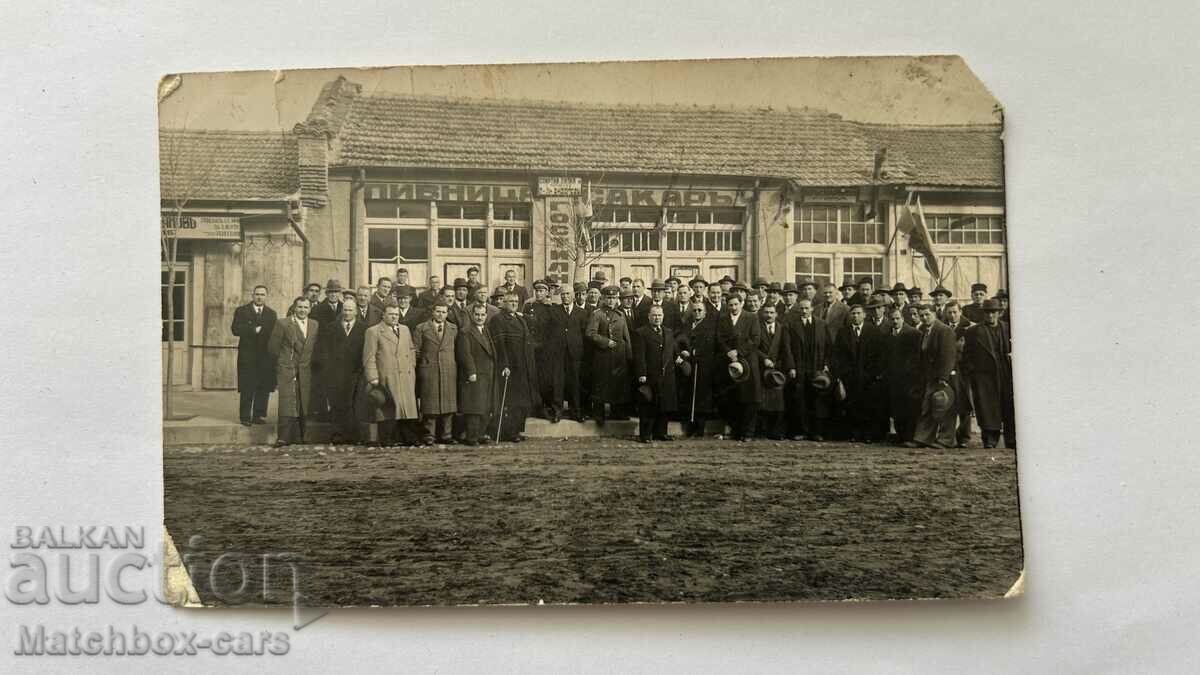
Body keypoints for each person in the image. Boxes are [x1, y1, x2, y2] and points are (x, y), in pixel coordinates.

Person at [363, 302, 419, 446]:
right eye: (391, 314)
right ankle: (387, 438)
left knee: (407, 408)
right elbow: (369, 357)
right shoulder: (374, 331)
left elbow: (412, 349)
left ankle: (408, 437)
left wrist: (411, 365)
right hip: (387, 375)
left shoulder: (405, 329)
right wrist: (373, 377)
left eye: (396, 314)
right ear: (383, 315)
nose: (394, 317)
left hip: (406, 374)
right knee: (388, 408)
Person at [962, 299, 1016, 449]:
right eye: (987, 313)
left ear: (999, 313)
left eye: (994, 312)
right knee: (987, 408)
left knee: (1009, 405)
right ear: (983, 314)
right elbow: (967, 356)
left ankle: (1011, 439)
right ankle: (990, 439)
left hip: (1006, 372)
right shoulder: (974, 332)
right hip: (984, 376)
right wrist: (975, 373)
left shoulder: (1008, 328)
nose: (991, 316)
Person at [268, 296, 320, 446]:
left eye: (305, 307)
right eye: (300, 307)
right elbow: (273, 348)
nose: (302, 310)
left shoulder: (314, 325)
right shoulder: (283, 324)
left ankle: (303, 436)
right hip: (287, 369)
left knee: (304, 402)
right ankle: (283, 437)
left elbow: (315, 348)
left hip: (306, 369)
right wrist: (284, 364)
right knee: (287, 402)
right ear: (294, 308)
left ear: (310, 309)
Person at [832, 302, 885, 443]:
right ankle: (854, 434)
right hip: (849, 376)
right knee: (851, 405)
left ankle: (868, 434)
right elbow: (837, 356)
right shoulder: (843, 332)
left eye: (858, 313)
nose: (855, 316)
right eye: (853, 314)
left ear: (864, 315)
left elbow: (879, 356)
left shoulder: (873, 331)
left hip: (868, 377)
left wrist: (872, 374)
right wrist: (842, 376)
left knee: (867, 405)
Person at [490, 291, 540, 441]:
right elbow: (500, 345)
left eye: (515, 301)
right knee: (511, 402)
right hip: (511, 366)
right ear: (503, 303)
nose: (513, 303)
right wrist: (504, 365)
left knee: (522, 402)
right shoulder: (498, 320)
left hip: (524, 365)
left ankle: (517, 430)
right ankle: (509, 433)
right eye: (510, 301)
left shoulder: (520, 318)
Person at [910, 304, 960, 449]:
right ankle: (923, 438)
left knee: (945, 406)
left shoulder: (945, 330)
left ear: (934, 314)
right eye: (922, 315)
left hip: (944, 377)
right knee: (928, 406)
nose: (924, 318)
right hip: (930, 376)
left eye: (927, 315)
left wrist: (943, 377)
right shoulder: (925, 331)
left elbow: (949, 356)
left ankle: (946, 440)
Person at [783, 298, 830, 441]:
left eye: (806, 308)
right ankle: (801, 431)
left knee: (817, 400)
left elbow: (829, 346)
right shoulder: (792, 325)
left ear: (812, 309)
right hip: (799, 367)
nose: (804, 311)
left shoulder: (821, 324)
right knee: (800, 400)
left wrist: (826, 364)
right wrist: (791, 366)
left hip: (817, 366)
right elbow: (787, 348)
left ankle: (817, 432)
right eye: (801, 309)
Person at [717, 293, 762, 441]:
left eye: (736, 304)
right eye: (730, 305)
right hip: (730, 362)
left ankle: (748, 433)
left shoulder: (751, 317)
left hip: (748, 362)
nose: (733, 307)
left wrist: (739, 352)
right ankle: (736, 430)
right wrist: (728, 352)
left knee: (749, 398)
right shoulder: (723, 319)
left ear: (742, 304)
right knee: (733, 397)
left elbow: (755, 339)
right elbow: (720, 338)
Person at [320, 298, 367, 443]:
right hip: (336, 373)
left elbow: (366, 352)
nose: (347, 313)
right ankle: (337, 434)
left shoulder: (364, 328)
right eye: (345, 310)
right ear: (342, 311)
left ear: (356, 312)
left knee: (354, 405)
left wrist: (361, 371)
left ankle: (354, 435)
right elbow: (325, 351)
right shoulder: (331, 327)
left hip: (355, 373)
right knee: (336, 404)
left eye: (350, 310)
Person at [585, 286, 633, 426]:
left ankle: (616, 412)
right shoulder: (597, 314)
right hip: (603, 355)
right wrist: (606, 342)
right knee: (601, 384)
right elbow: (590, 333)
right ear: (604, 298)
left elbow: (626, 337)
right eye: (609, 298)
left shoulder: (620, 314)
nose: (611, 300)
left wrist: (629, 355)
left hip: (619, 355)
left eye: (614, 298)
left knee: (618, 384)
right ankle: (599, 414)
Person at [230, 285, 277, 426]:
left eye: (262, 294)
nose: (259, 297)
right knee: (247, 386)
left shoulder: (271, 314)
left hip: (265, 357)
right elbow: (235, 329)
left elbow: (274, 334)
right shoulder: (242, 311)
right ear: (252, 295)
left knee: (263, 386)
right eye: (257, 294)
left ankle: (259, 415)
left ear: (266, 296)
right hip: (247, 356)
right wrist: (252, 330)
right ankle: (245, 416)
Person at [413, 300, 458, 445]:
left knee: (448, 403)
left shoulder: (453, 329)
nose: (440, 314)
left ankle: (447, 434)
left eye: (444, 312)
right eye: (438, 311)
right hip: (429, 369)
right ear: (433, 312)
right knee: (430, 404)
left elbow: (457, 349)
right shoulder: (421, 328)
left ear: (447, 313)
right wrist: (424, 363)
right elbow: (416, 349)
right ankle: (429, 435)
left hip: (448, 369)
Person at [633, 305, 679, 443]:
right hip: (650, 375)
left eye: (659, 315)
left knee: (664, 405)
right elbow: (639, 356)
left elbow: (671, 351)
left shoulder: (668, 332)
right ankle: (645, 435)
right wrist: (642, 373)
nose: (657, 318)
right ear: (649, 316)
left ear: (663, 316)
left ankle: (661, 433)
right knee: (648, 405)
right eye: (654, 315)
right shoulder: (641, 332)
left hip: (667, 375)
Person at [455, 303, 498, 445]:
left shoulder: (486, 330)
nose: (480, 317)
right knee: (474, 407)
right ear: (472, 315)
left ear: (486, 316)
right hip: (475, 374)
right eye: (477, 314)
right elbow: (464, 354)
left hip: (488, 373)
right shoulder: (465, 332)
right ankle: (471, 437)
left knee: (485, 406)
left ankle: (480, 434)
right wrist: (471, 371)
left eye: (482, 314)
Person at [526, 280, 567, 422]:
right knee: (539, 380)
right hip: (535, 350)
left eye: (541, 291)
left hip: (550, 350)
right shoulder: (530, 307)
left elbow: (557, 330)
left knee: (553, 381)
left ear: (547, 292)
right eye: (536, 291)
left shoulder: (553, 308)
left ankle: (556, 409)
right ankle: (541, 409)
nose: (538, 293)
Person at [676, 300, 717, 437]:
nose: (697, 313)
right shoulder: (687, 325)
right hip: (689, 365)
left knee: (701, 396)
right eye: (695, 310)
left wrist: (695, 353)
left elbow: (709, 346)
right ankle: (689, 425)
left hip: (703, 366)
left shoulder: (709, 327)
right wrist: (683, 352)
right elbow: (681, 341)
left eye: (700, 310)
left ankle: (700, 427)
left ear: (705, 313)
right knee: (688, 394)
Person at [884, 305, 922, 445]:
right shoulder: (887, 334)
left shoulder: (913, 334)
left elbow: (917, 357)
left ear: (903, 319)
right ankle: (900, 435)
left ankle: (909, 436)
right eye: (892, 319)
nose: (895, 321)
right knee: (896, 407)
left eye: (897, 318)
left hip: (909, 378)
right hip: (894, 378)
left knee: (910, 408)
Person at [943, 301, 975, 447]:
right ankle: (948, 436)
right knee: (948, 402)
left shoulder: (969, 327)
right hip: (949, 370)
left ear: (960, 312)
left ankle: (964, 437)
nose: (952, 315)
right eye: (949, 312)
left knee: (965, 403)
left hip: (964, 371)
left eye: (955, 312)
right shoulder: (943, 327)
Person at [757, 303, 791, 439]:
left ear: (776, 314)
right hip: (762, 369)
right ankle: (763, 431)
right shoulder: (758, 328)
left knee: (778, 402)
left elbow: (786, 349)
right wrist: (764, 359)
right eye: (766, 312)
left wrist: (780, 364)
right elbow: (754, 347)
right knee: (764, 402)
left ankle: (776, 432)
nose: (769, 315)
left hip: (778, 370)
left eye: (771, 312)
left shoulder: (782, 329)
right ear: (762, 314)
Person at [560, 285, 589, 421]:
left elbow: (585, 335)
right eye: (563, 294)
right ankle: (557, 411)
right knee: (559, 382)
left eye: (567, 294)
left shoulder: (582, 313)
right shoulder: (555, 311)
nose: (565, 296)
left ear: (573, 295)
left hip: (576, 353)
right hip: (559, 354)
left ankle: (576, 411)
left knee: (575, 382)